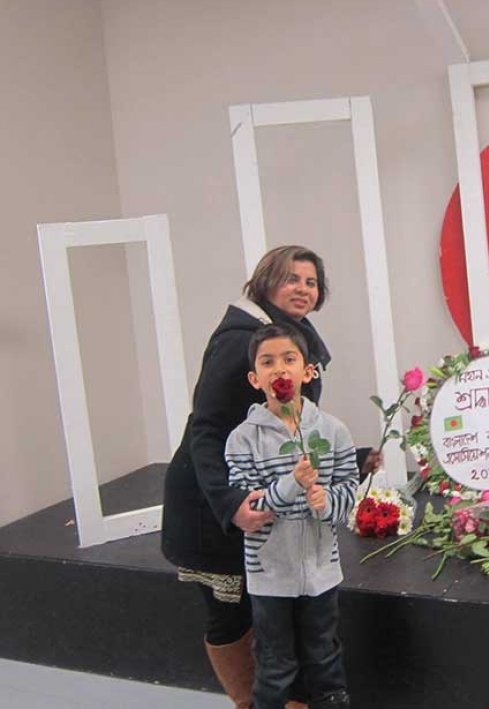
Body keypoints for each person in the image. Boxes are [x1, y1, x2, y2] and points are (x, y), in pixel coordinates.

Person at [161, 245, 375, 709]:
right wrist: (230, 502)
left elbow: (289, 428)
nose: (303, 288)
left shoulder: (290, 337)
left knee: (280, 618)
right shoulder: (240, 341)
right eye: (291, 278)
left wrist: (346, 460)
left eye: (311, 281)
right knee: (231, 617)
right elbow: (208, 428)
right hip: (213, 505)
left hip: (270, 506)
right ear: (266, 281)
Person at [227, 324, 357, 709]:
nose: (279, 369)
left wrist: (326, 500)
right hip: (269, 574)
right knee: (274, 662)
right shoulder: (242, 439)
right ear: (254, 378)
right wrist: (292, 484)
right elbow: (251, 506)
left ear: (308, 371)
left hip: (321, 570)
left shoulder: (333, 432)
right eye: (267, 362)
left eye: (289, 359)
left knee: (324, 654)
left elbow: (349, 490)